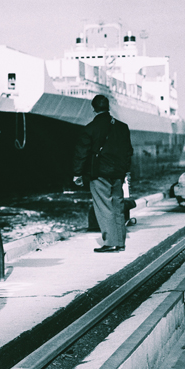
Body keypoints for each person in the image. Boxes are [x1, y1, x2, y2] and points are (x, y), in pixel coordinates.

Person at [73, 94, 134, 253]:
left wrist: (77, 174)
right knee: (118, 207)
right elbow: (128, 152)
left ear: (93, 109)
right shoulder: (122, 127)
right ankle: (120, 242)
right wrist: (125, 170)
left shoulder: (90, 129)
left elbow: (82, 153)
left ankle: (110, 243)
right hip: (118, 174)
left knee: (104, 208)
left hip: (99, 174)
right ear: (108, 107)